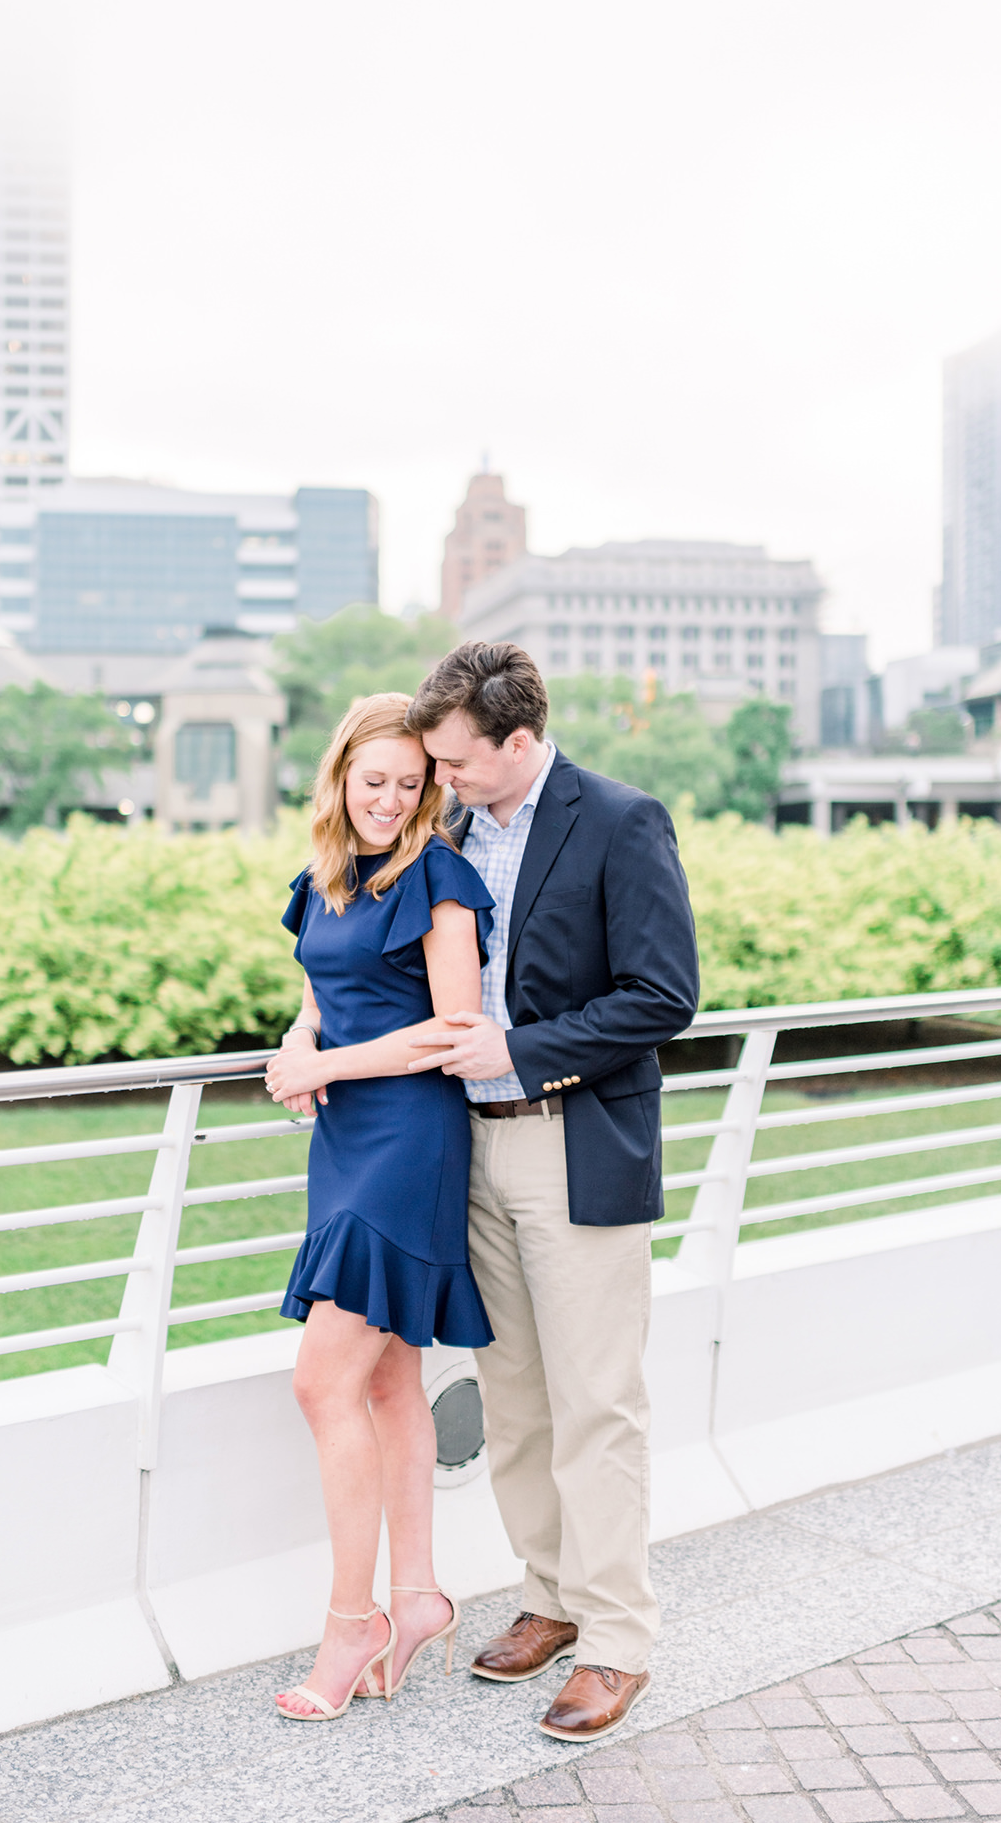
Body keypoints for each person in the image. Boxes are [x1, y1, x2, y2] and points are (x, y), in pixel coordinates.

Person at [405, 642, 699, 1743]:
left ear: (520, 741)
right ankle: (552, 1599)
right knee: (515, 1403)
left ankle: (619, 1642)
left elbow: (663, 996)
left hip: (572, 1141)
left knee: (596, 1406)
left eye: (460, 761)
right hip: (466, 1151)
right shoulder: (453, 829)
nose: (444, 780)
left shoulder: (622, 820)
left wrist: (518, 1053)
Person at [262, 691, 497, 1723]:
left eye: (412, 784)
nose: (391, 800)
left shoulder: (440, 877)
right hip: (345, 1139)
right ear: (340, 775)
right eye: (374, 782)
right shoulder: (324, 880)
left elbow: (453, 1027)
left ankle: (351, 1622)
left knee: (324, 1385)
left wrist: (330, 1064)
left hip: (409, 1138)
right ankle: (415, 1599)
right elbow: (317, 998)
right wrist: (291, 1049)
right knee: (392, 1383)